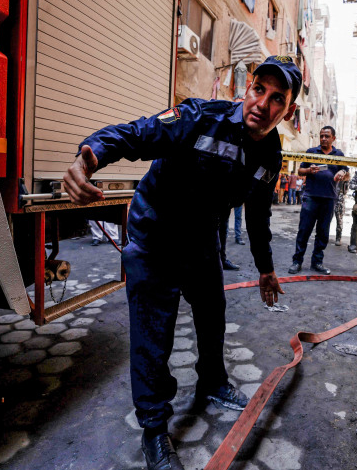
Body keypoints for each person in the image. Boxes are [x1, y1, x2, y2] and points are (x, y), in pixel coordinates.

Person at [62, 55, 300, 470]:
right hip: (155, 235)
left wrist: (266, 268)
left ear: (289, 110)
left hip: (201, 241)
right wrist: (89, 158)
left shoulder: (271, 155)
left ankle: (212, 382)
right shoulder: (196, 116)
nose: (263, 103)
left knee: (212, 314)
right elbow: (136, 134)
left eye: (277, 98)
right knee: (154, 335)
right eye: (258, 89)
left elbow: (258, 215)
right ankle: (154, 432)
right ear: (246, 89)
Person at [288, 126, 349, 275]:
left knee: (323, 233)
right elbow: (300, 170)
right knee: (304, 230)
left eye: (327, 136)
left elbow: (347, 174)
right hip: (311, 197)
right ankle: (297, 261)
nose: (323, 139)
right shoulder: (311, 152)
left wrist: (342, 172)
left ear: (333, 138)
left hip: (329, 199)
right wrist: (309, 170)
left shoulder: (338, 154)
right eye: (321, 136)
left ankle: (317, 262)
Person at [333, 176, 350, 246]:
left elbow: (346, 190)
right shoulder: (344, 177)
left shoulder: (345, 178)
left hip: (338, 198)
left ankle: (338, 238)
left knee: (339, 219)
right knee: (338, 219)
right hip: (333, 197)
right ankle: (338, 238)